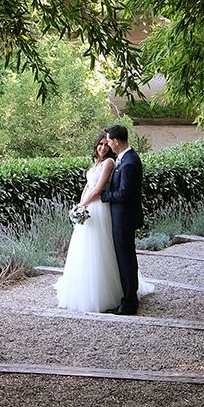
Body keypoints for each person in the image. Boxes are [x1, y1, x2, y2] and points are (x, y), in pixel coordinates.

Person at [55, 137, 124, 313]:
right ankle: (82, 287)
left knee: (99, 247)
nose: (102, 147)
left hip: (99, 207)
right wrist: (80, 205)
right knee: (83, 247)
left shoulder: (108, 162)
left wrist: (82, 206)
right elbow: (87, 186)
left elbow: (97, 189)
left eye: (105, 145)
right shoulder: (94, 164)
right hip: (87, 206)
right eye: (99, 144)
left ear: (110, 147)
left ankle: (103, 292)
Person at [99, 124, 146, 314]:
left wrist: (105, 196)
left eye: (109, 140)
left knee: (126, 260)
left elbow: (124, 194)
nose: (108, 144)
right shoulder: (124, 158)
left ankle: (129, 303)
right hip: (121, 218)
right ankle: (127, 298)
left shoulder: (129, 163)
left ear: (116, 142)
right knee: (125, 259)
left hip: (124, 219)